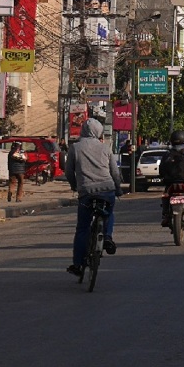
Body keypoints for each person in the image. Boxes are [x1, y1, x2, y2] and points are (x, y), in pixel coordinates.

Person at [64, 117, 122, 277]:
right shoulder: (105, 148)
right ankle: (108, 236)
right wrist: (118, 189)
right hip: (107, 189)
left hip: (86, 193)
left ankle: (77, 264)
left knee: (82, 228)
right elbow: (114, 172)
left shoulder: (75, 148)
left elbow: (68, 172)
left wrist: (74, 186)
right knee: (109, 213)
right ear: (99, 132)